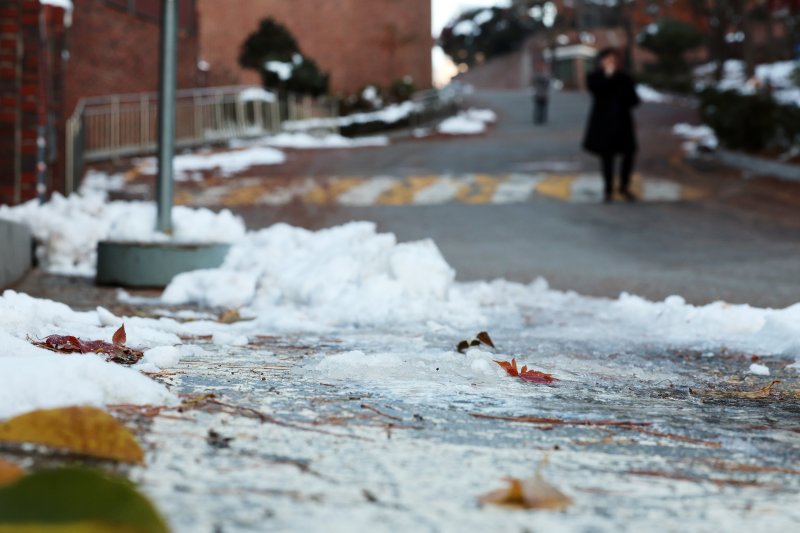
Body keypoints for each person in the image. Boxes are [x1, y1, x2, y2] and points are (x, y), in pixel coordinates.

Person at [582, 48, 640, 202]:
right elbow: (597, 91)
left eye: (613, 60)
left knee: (628, 154)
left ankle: (624, 186)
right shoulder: (595, 77)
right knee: (607, 157)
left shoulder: (625, 78)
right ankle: (608, 189)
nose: (610, 63)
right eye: (607, 60)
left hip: (623, 123)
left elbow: (634, 100)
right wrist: (608, 77)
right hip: (603, 124)